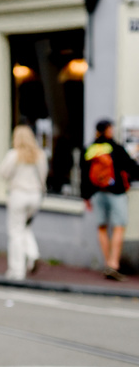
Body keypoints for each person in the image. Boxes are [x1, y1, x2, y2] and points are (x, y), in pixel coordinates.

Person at [81, 118, 139, 281]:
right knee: (119, 226)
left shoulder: (90, 149)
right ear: (108, 130)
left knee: (102, 228)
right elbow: (131, 167)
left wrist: (86, 196)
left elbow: (84, 174)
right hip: (116, 193)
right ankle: (113, 264)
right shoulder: (115, 148)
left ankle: (107, 263)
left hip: (97, 193)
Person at [0, 124, 47, 281]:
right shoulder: (40, 155)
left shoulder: (13, 155)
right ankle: (32, 254)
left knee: (15, 232)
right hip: (35, 196)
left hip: (18, 195)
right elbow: (43, 177)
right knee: (25, 227)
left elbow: (3, 173)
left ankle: (17, 270)